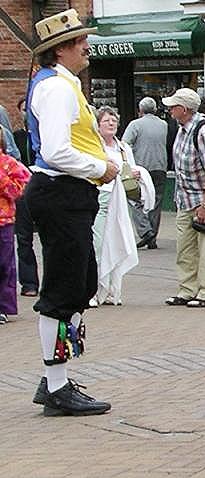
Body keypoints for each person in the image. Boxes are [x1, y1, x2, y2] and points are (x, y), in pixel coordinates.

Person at [24, 9, 118, 415]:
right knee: (63, 289)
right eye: (80, 42)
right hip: (59, 193)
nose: (87, 47)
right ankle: (56, 384)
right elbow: (56, 151)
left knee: (83, 283)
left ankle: (55, 378)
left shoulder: (60, 84)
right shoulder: (58, 89)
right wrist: (103, 168)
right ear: (61, 50)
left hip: (68, 196)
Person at [162, 88, 205, 308]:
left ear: (186, 109)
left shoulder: (204, 131)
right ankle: (187, 289)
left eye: (174, 106)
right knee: (185, 247)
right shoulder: (180, 130)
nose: (170, 110)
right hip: (185, 199)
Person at [91, 106, 140, 306]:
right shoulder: (95, 147)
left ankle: (113, 291)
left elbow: (131, 168)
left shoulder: (123, 148)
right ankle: (94, 290)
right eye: (106, 121)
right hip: (100, 198)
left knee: (119, 242)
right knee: (99, 245)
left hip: (119, 200)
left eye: (114, 121)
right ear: (98, 125)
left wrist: (135, 173)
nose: (111, 124)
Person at [122, 96, 168, 249]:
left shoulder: (135, 124)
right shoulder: (164, 124)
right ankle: (152, 236)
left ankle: (145, 230)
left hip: (142, 167)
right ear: (155, 109)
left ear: (140, 110)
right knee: (156, 202)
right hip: (160, 166)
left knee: (135, 200)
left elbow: (124, 144)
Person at [0, 126, 31, 324]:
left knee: (4, 265)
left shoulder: (9, 164)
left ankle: (3, 306)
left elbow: (23, 187)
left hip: (4, 222)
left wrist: (3, 180)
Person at [13, 98, 40, 297]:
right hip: (23, 191)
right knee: (24, 238)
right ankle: (29, 282)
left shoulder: (44, 136)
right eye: (24, 110)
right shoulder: (15, 137)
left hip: (42, 189)